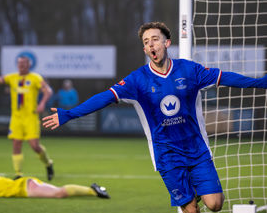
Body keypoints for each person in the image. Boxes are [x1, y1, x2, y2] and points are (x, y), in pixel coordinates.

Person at [42, 22, 267, 213]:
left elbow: (225, 77)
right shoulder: (137, 80)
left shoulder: (189, 70)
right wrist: (69, 114)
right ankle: (189, 195)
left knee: (216, 204)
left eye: (155, 39)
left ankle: (194, 190)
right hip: (166, 154)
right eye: (146, 41)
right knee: (190, 210)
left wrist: (260, 82)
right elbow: (104, 97)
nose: (151, 44)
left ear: (166, 43)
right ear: (145, 49)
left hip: (196, 149)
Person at [0, 56, 54, 181]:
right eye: (19, 63)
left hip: (31, 116)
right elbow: (0, 80)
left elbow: (48, 91)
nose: (21, 65)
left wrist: (42, 103)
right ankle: (18, 174)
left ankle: (48, 163)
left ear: (29, 65)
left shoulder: (35, 78)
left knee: (35, 146)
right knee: (16, 144)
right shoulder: (12, 77)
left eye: (24, 63)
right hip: (16, 117)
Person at [0, 175, 110, 199]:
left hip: (26, 188)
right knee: (58, 192)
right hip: (26, 184)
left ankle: (93, 190)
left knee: (59, 193)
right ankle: (94, 190)